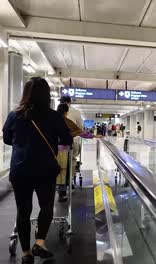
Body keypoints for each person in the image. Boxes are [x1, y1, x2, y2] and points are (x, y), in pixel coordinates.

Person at [3, 77, 73, 264]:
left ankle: (26, 253)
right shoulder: (54, 116)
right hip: (45, 170)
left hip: (21, 170)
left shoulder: (14, 115)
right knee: (46, 207)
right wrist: (51, 142)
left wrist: (24, 143)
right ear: (47, 95)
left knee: (23, 211)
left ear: (25, 93)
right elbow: (67, 140)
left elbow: (7, 139)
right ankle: (39, 242)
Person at [56, 103, 102, 202]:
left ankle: (58, 191)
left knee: (57, 171)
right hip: (64, 150)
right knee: (64, 171)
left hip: (52, 150)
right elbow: (81, 132)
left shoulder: (51, 119)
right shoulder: (67, 122)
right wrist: (94, 136)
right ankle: (63, 192)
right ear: (66, 112)